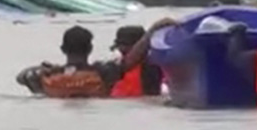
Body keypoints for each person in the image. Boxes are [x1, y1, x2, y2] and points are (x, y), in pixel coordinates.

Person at [16, 19, 176, 98]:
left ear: (63, 49)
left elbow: (21, 78)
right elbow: (131, 60)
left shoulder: (46, 79)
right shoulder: (103, 73)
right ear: (90, 49)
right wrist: (154, 30)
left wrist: (47, 69)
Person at [107, 25, 165, 98]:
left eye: (126, 45)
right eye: (120, 46)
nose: (122, 49)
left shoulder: (153, 68)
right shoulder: (113, 68)